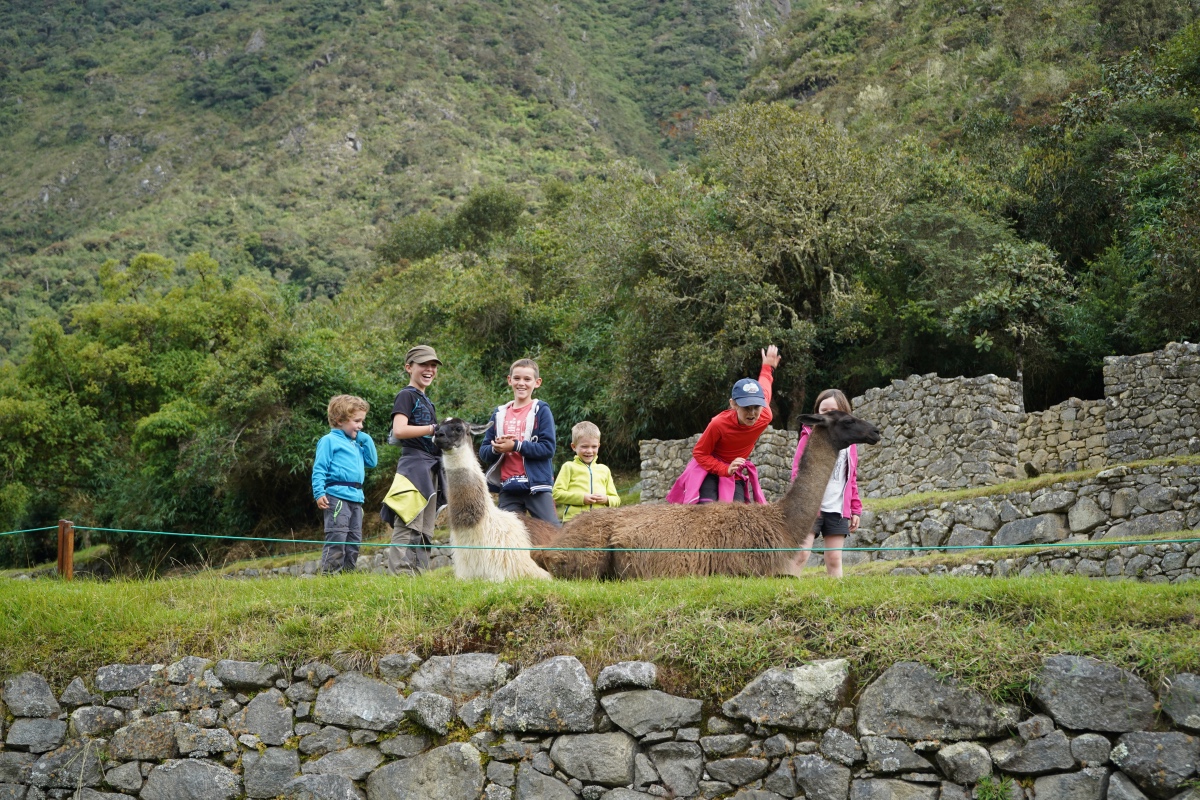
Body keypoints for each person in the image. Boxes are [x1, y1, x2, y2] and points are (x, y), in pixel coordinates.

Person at [666, 345, 781, 504]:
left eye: (756, 407)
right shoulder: (719, 424)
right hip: (708, 470)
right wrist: (724, 469)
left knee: (736, 514)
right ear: (733, 404)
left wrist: (767, 367)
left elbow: (765, 388)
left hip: (733, 473)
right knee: (708, 511)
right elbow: (700, 453)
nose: (752, 413)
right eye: (746, 407)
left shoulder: (765, 416)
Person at [380, 345, 445, 576]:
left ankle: (417, 577)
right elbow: (399, 430)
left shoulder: (426, 399)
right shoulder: (406, 395)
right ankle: (400, 577)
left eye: (433, 365)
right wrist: (433, 428)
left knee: (425, 528)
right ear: (409, 368)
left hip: (430, 467)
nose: (429, 369)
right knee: (408, 522)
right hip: (414, 467)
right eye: (423, 365)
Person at [788, 389, 862, 578]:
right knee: (801, 554)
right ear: (817, 413)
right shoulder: (808, 436)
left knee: (834, 558)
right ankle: (786, 590)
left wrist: (855, 509)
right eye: (824, 411)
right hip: (810, 507)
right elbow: (797, 470)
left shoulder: (850, 444)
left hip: (837, 508)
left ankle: (837, 593)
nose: (828, 415)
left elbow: (851, 477)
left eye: (833, 411)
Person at [480, 358, 560, 526]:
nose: (521, 383)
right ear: (509, 380)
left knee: (552, 533)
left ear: (537, 383)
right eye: (517, 378)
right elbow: (484, 452)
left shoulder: (541, 410)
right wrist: (496, 449)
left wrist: (516, 446)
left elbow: (548, 448)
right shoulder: (499, 414)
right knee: (505, 535)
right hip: (508, 487)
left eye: (527, 379)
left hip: (537, 486)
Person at [312, 394, 378, 574]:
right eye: (357, 421)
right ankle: (330, 576)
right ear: (340, 420)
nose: (361, 426)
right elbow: (319, 468)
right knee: (337, 538)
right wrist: (319, 492)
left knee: (354, 540)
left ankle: (347, 576)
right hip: (336, 497)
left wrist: (365, 439)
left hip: (356, 498)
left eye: (362, 421)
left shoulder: (356, 444)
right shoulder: (329, 441)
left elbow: (372, 462)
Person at [553, 421, 622, 522]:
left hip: (601, 521)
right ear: (574, 447)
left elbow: (616, 499)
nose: (589, 451)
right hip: (574, 522)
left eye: (594, 446)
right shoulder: (568, 467)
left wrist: (606, 499)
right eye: (584, 446)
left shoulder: (604, 470)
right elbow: (557, 494)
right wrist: (582, 498)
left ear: (598, 446)